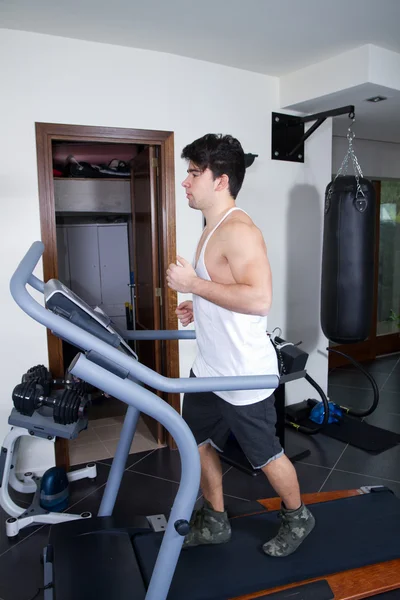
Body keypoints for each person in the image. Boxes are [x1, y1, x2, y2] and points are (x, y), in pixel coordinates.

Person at [166, 133, 315, 557]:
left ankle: (297, 515)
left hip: (243, 375)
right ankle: (215, 520)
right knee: (195, 441)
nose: (186, 182)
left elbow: (259, 299)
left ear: (220, 180)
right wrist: (201, 306)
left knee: (267, 456)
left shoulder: (240, 230)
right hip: (209, 369)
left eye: (194, 173)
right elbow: (228, 289)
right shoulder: (211, 228)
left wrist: (193, 284)